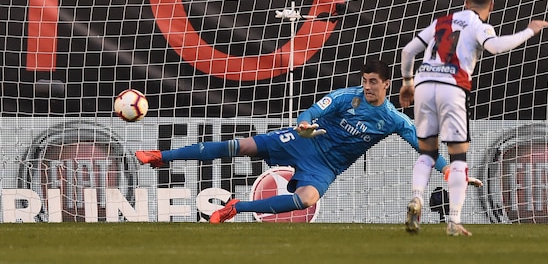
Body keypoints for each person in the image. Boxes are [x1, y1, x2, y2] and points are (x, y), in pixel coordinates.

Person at [135, 59, 480, 223]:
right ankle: (161, 155)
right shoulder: (348, 97)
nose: (367, 86)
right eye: (364, 80)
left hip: (327, 165)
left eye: (374, 81)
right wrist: (303, 126)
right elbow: (311, 112)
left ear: (386, 85)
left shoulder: (394, 120)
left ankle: (235, 208)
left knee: (306, 200)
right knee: (242, 145)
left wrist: (449, 171)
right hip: (302, 143)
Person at [399, 0, 548, 236]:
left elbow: (408, 50)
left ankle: (417, 198)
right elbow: (495, 47)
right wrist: (529, 31)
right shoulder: (480, 26)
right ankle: (454, 221)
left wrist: (407, 83)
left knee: (427, 152)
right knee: (458, 156)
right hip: (452, 87)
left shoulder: (441, 22)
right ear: (490, 5)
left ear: (466, 1)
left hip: (424, 85)